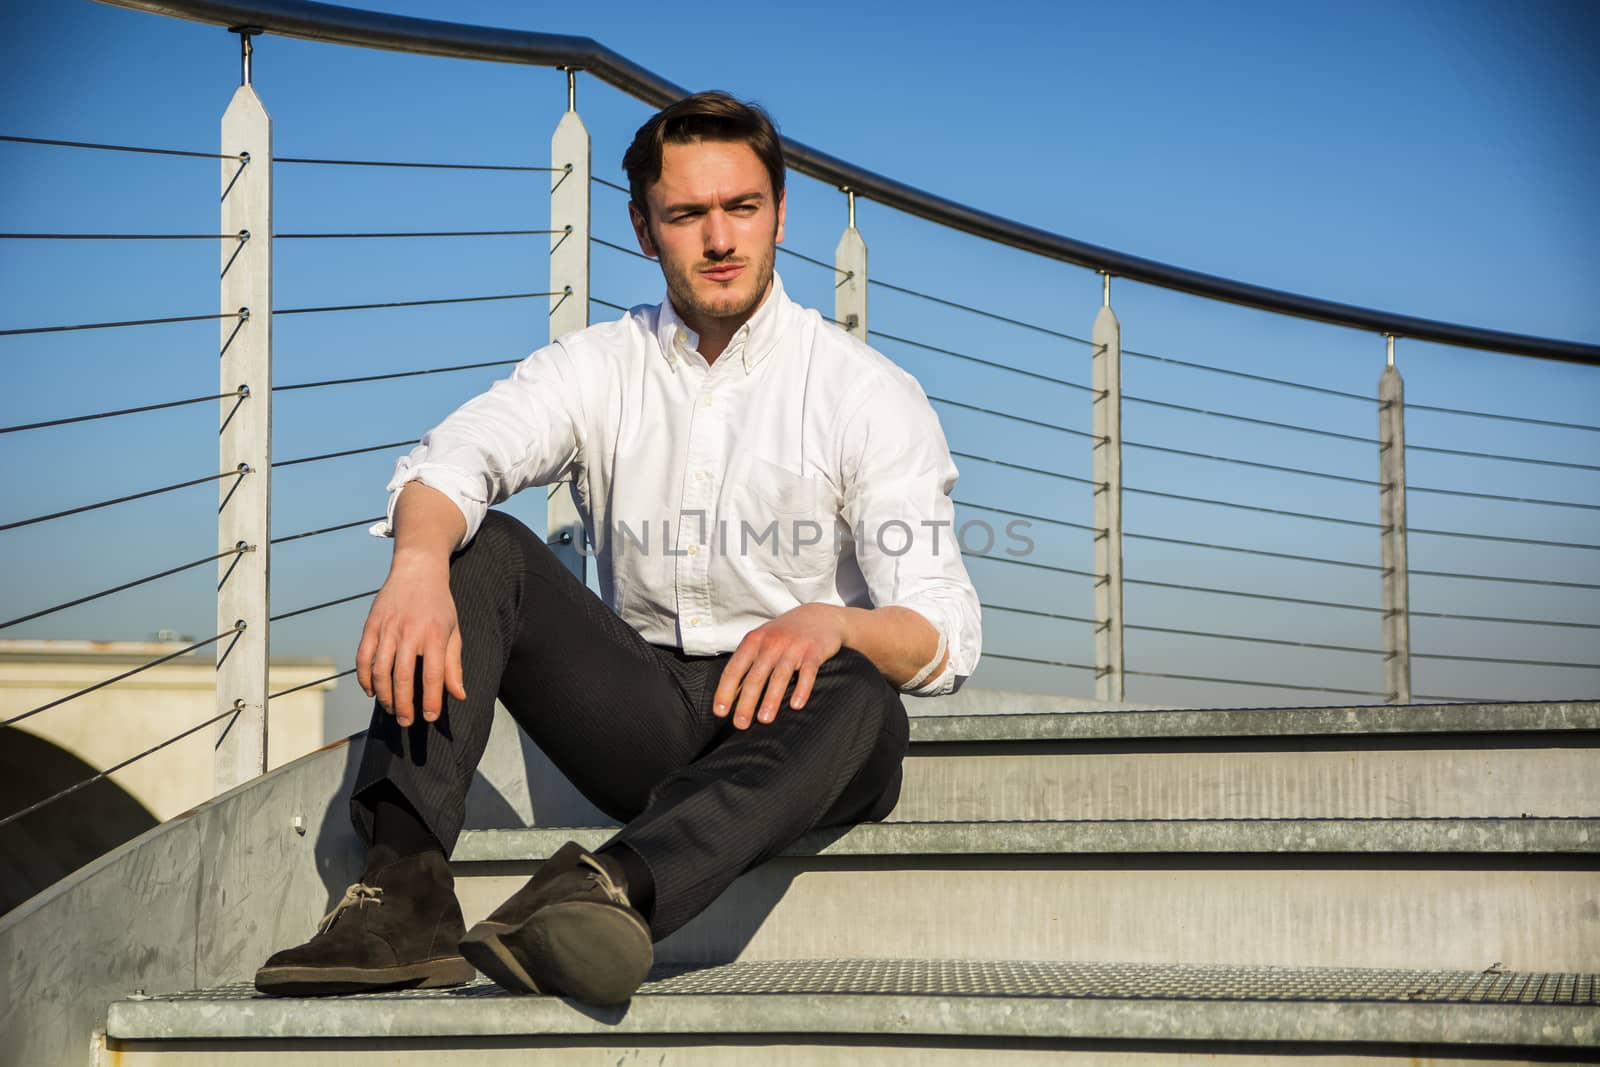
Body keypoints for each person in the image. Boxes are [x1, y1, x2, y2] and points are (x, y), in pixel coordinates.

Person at [254, 90, 981, 1006]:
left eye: (743, 208)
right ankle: (400, 892)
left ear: (780, 216)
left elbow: (945, 626)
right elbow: (458, 456)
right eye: (687, 214)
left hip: (801, 725)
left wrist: (835, 623)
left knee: (868, 695)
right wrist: (416, 565)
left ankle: (602, 892)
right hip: (644, 709)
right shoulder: (599, 365)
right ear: (644, 228)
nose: (720, 239)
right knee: (478, 549)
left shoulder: (865, 392)